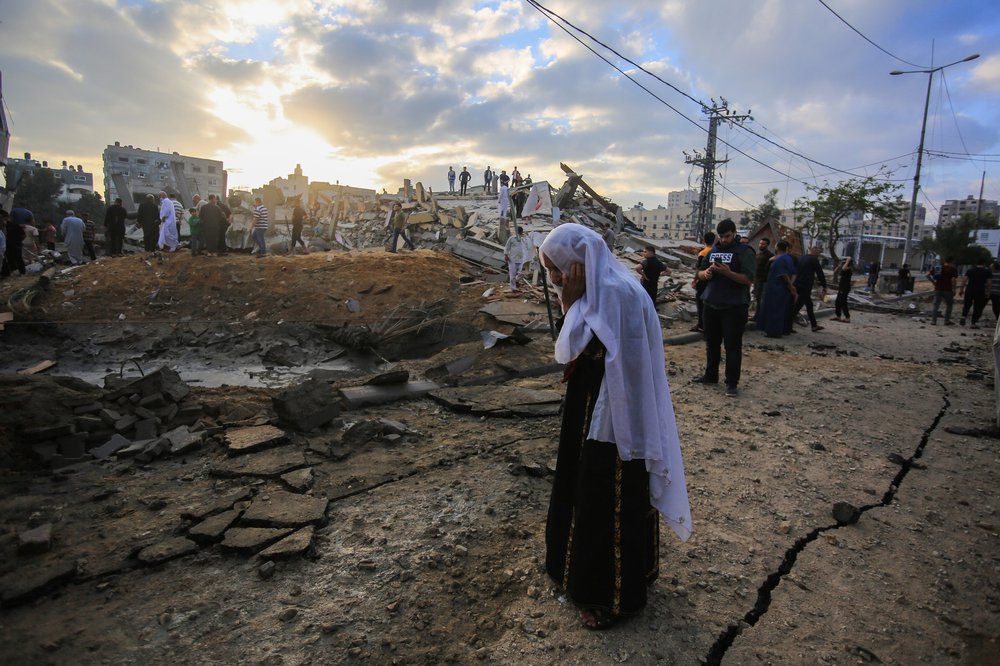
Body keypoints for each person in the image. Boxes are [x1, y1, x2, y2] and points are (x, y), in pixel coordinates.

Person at [538, 222, 691, 630]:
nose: (555, 277)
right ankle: (571, 571)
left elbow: (595, 355)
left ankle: (614, 597)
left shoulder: (619, 294)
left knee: (609, 492)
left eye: (559, 267)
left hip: (615, 414)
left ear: (579, 261)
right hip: (587, 409)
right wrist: (571, 301)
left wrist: (570, 303)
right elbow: (569, 354)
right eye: (550, 269)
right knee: (580, 485)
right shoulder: (594, 290)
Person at [691, 219, 756, 397]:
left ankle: (731, 383)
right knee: (712, 343)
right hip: (711, 304)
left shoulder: (745, 252)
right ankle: (711, 375)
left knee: (732, 346)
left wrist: (729, 273)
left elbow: (748, 279)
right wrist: (707, 274)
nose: (724, 240)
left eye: (727, 236)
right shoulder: (714, 251)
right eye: (721, 236)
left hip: (734, 306)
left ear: (734, 233)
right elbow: (699, 273)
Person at [757, 239, 797, 338]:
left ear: (777, 247)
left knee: (774, 310)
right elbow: (793, 273)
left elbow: (783, 274)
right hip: (782, 288)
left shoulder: (779, 259)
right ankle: (781, 330)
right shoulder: (788, 258)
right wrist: (791, 285)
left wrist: (789, 285)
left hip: (776, 287)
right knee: (780, 309)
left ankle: (773, 331)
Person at [792, 245, 827, 332]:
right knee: (798, 306)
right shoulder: (814, 259)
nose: (819, 254)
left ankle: (814, 325)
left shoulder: (801, 258)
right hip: (805, 286)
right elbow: (820, 273)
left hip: (797, 284)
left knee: (809, 305)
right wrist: (824, 286)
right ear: (814, 251)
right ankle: (786, 325)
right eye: (819, 252)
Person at [958, 258, 991, 328]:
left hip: (970, 290)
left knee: (967, 304)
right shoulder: (987, 272)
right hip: (980, 291)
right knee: (978, 307)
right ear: (984, 264)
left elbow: (964, 280)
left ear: (977, 264)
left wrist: (961, 290)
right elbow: (989, 283)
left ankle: (963, 316)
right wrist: (988, 292)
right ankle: (973, 323)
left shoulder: (970, 270)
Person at [926, 257, 959, 326]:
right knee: (949, 305)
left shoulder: (938, 268)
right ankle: (946, 321)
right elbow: (953, 280)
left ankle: (933, 321)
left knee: (936, 305)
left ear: (945, 261)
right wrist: (954, 289)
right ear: (951, 262)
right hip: (948, 290)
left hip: (938, 289)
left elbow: (927, 275)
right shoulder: (953, 269)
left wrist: (933, 282)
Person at [751, 237, 773, 322]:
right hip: (756, 280)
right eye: (760, 243)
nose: (761, 245)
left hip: (763, 281)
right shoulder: (758, 254)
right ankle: (757, 315)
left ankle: (758, 316)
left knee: (760, 299)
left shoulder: (770, 256)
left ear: (767, 245)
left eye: (763, 244)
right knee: (756, 298)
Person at [2, 208, 27, 277]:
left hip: (16, 244)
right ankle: (13, 272)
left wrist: (18, 241)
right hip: (7, 245)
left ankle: (22, 272)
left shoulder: (14, 225)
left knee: (18, 258)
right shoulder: (3, 227)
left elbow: (23, 235)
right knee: (9, 258)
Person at [504, 226, 530, 290]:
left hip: (522, 259)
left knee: (522, 273)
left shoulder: (524, 239)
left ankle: (516, 281)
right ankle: (513, 288)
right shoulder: (512, 238)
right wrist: (506, 255)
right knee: (512, 274)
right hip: (512, 259)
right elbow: (507, 247)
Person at [832, 257, 854, 323]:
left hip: (845, 288)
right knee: (837, 302)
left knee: (843, 302)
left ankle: (847, 317)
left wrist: (847, 261)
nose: (844, 262)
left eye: (845, 262)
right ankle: (838, 316)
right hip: (841, 287)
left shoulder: (849, 269)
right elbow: (834, 272)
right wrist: (839, 265)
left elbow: (844, 268)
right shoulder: (843, 268)